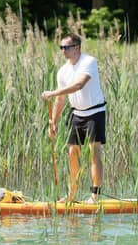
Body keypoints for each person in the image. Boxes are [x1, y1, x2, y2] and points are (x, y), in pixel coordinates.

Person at [41, 33, 106, 203]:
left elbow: (79, 85)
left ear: (76, 47)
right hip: (77, 114)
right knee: (72, 153)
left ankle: (95, 196)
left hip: (95, 112)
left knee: (94, 152)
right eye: (61, 47)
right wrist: (53, 122)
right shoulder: (63, 71)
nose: (63, 51)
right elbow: (60, 99)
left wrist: (53, 92)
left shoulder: (88, 62)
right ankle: (72, 195)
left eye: (66, 47)